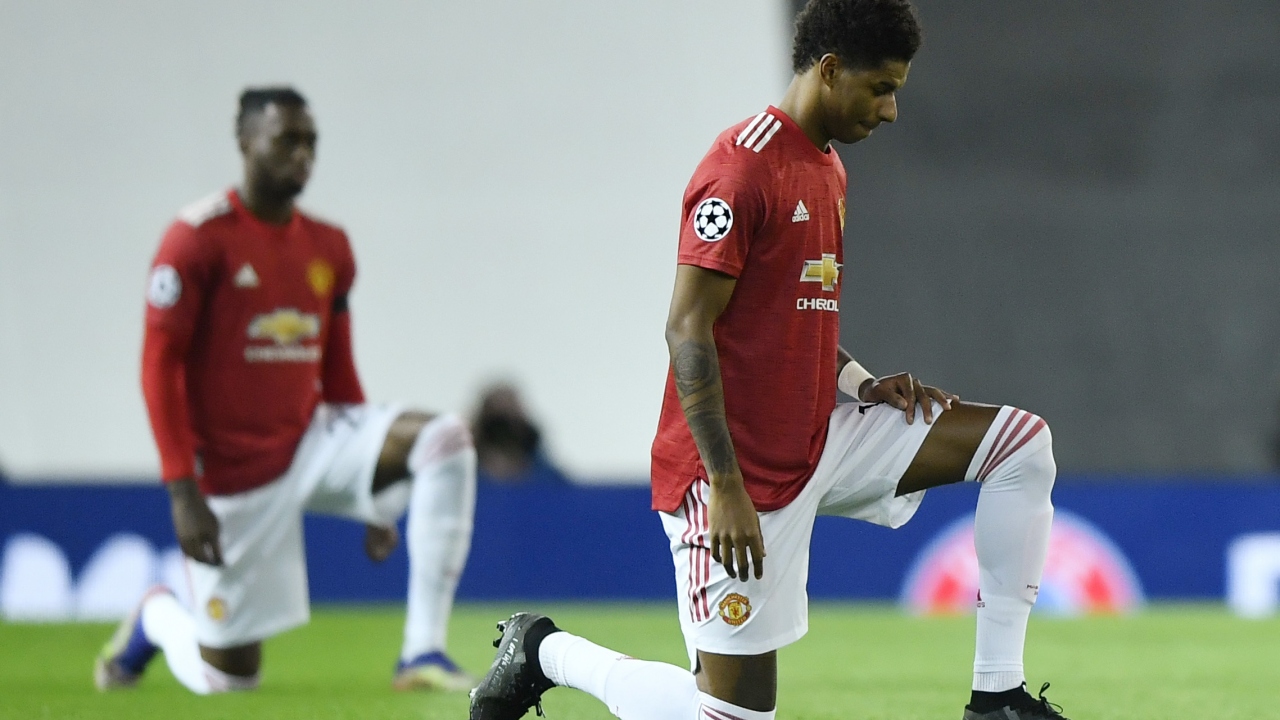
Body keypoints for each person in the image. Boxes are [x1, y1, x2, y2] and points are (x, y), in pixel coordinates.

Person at [468, 2, 1068, 719]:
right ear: (830, 69)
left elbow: (791, 320)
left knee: (1020, 445)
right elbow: (686, 329)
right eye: (881, 88)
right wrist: (725, 486)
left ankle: (996, 696)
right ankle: (543, 650)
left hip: (818, 439)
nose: (891, 110)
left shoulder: (829, 169)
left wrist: (862, 384)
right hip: (730, 474)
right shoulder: (740, 169)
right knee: (731, 717)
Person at [94, 87, 477, 694]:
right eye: (286, 140)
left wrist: (371, 495)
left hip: (311, 439)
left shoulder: (329, 245)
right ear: (245, 142)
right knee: (227, 681)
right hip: (233, 471)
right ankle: (157, 616)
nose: (302, 154)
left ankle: (421, 651)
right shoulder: (195, 239)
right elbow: (158, 365)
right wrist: (182, 490)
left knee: (444, 439)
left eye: (311, 142)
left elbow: (337, 365)